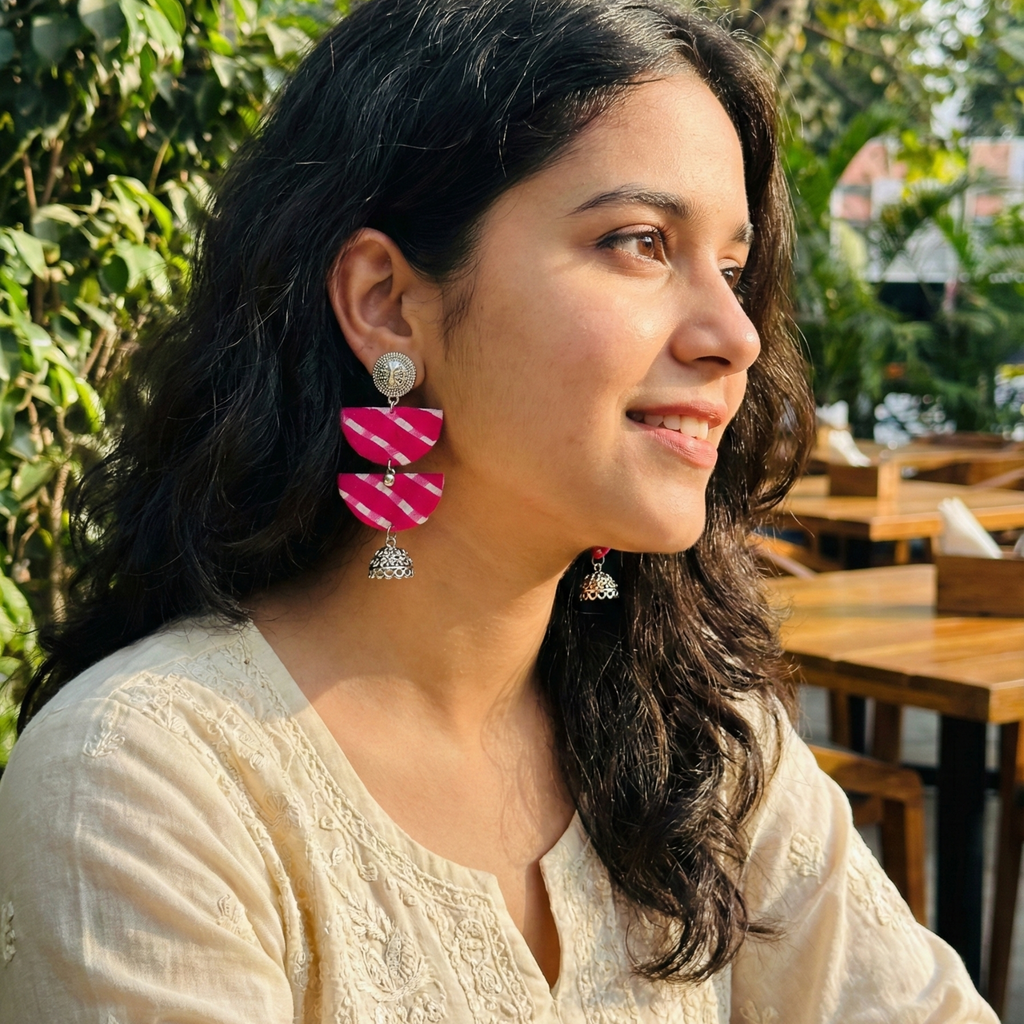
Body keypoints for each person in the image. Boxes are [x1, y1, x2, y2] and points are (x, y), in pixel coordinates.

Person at [0, 1, 998, 1020]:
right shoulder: (151, 782)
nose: (732, 335)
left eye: (733, 270)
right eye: (640, 242)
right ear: (388, 302)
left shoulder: (697, 736)